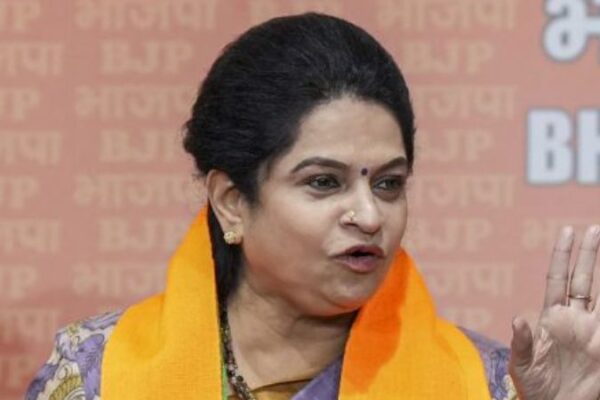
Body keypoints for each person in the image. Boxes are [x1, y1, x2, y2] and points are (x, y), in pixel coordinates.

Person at [26, 12, 600, 400]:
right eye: (324, 182)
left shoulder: (487, 384)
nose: (369, 216)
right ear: (232, 202)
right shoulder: (98, 372)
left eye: (388, 184)